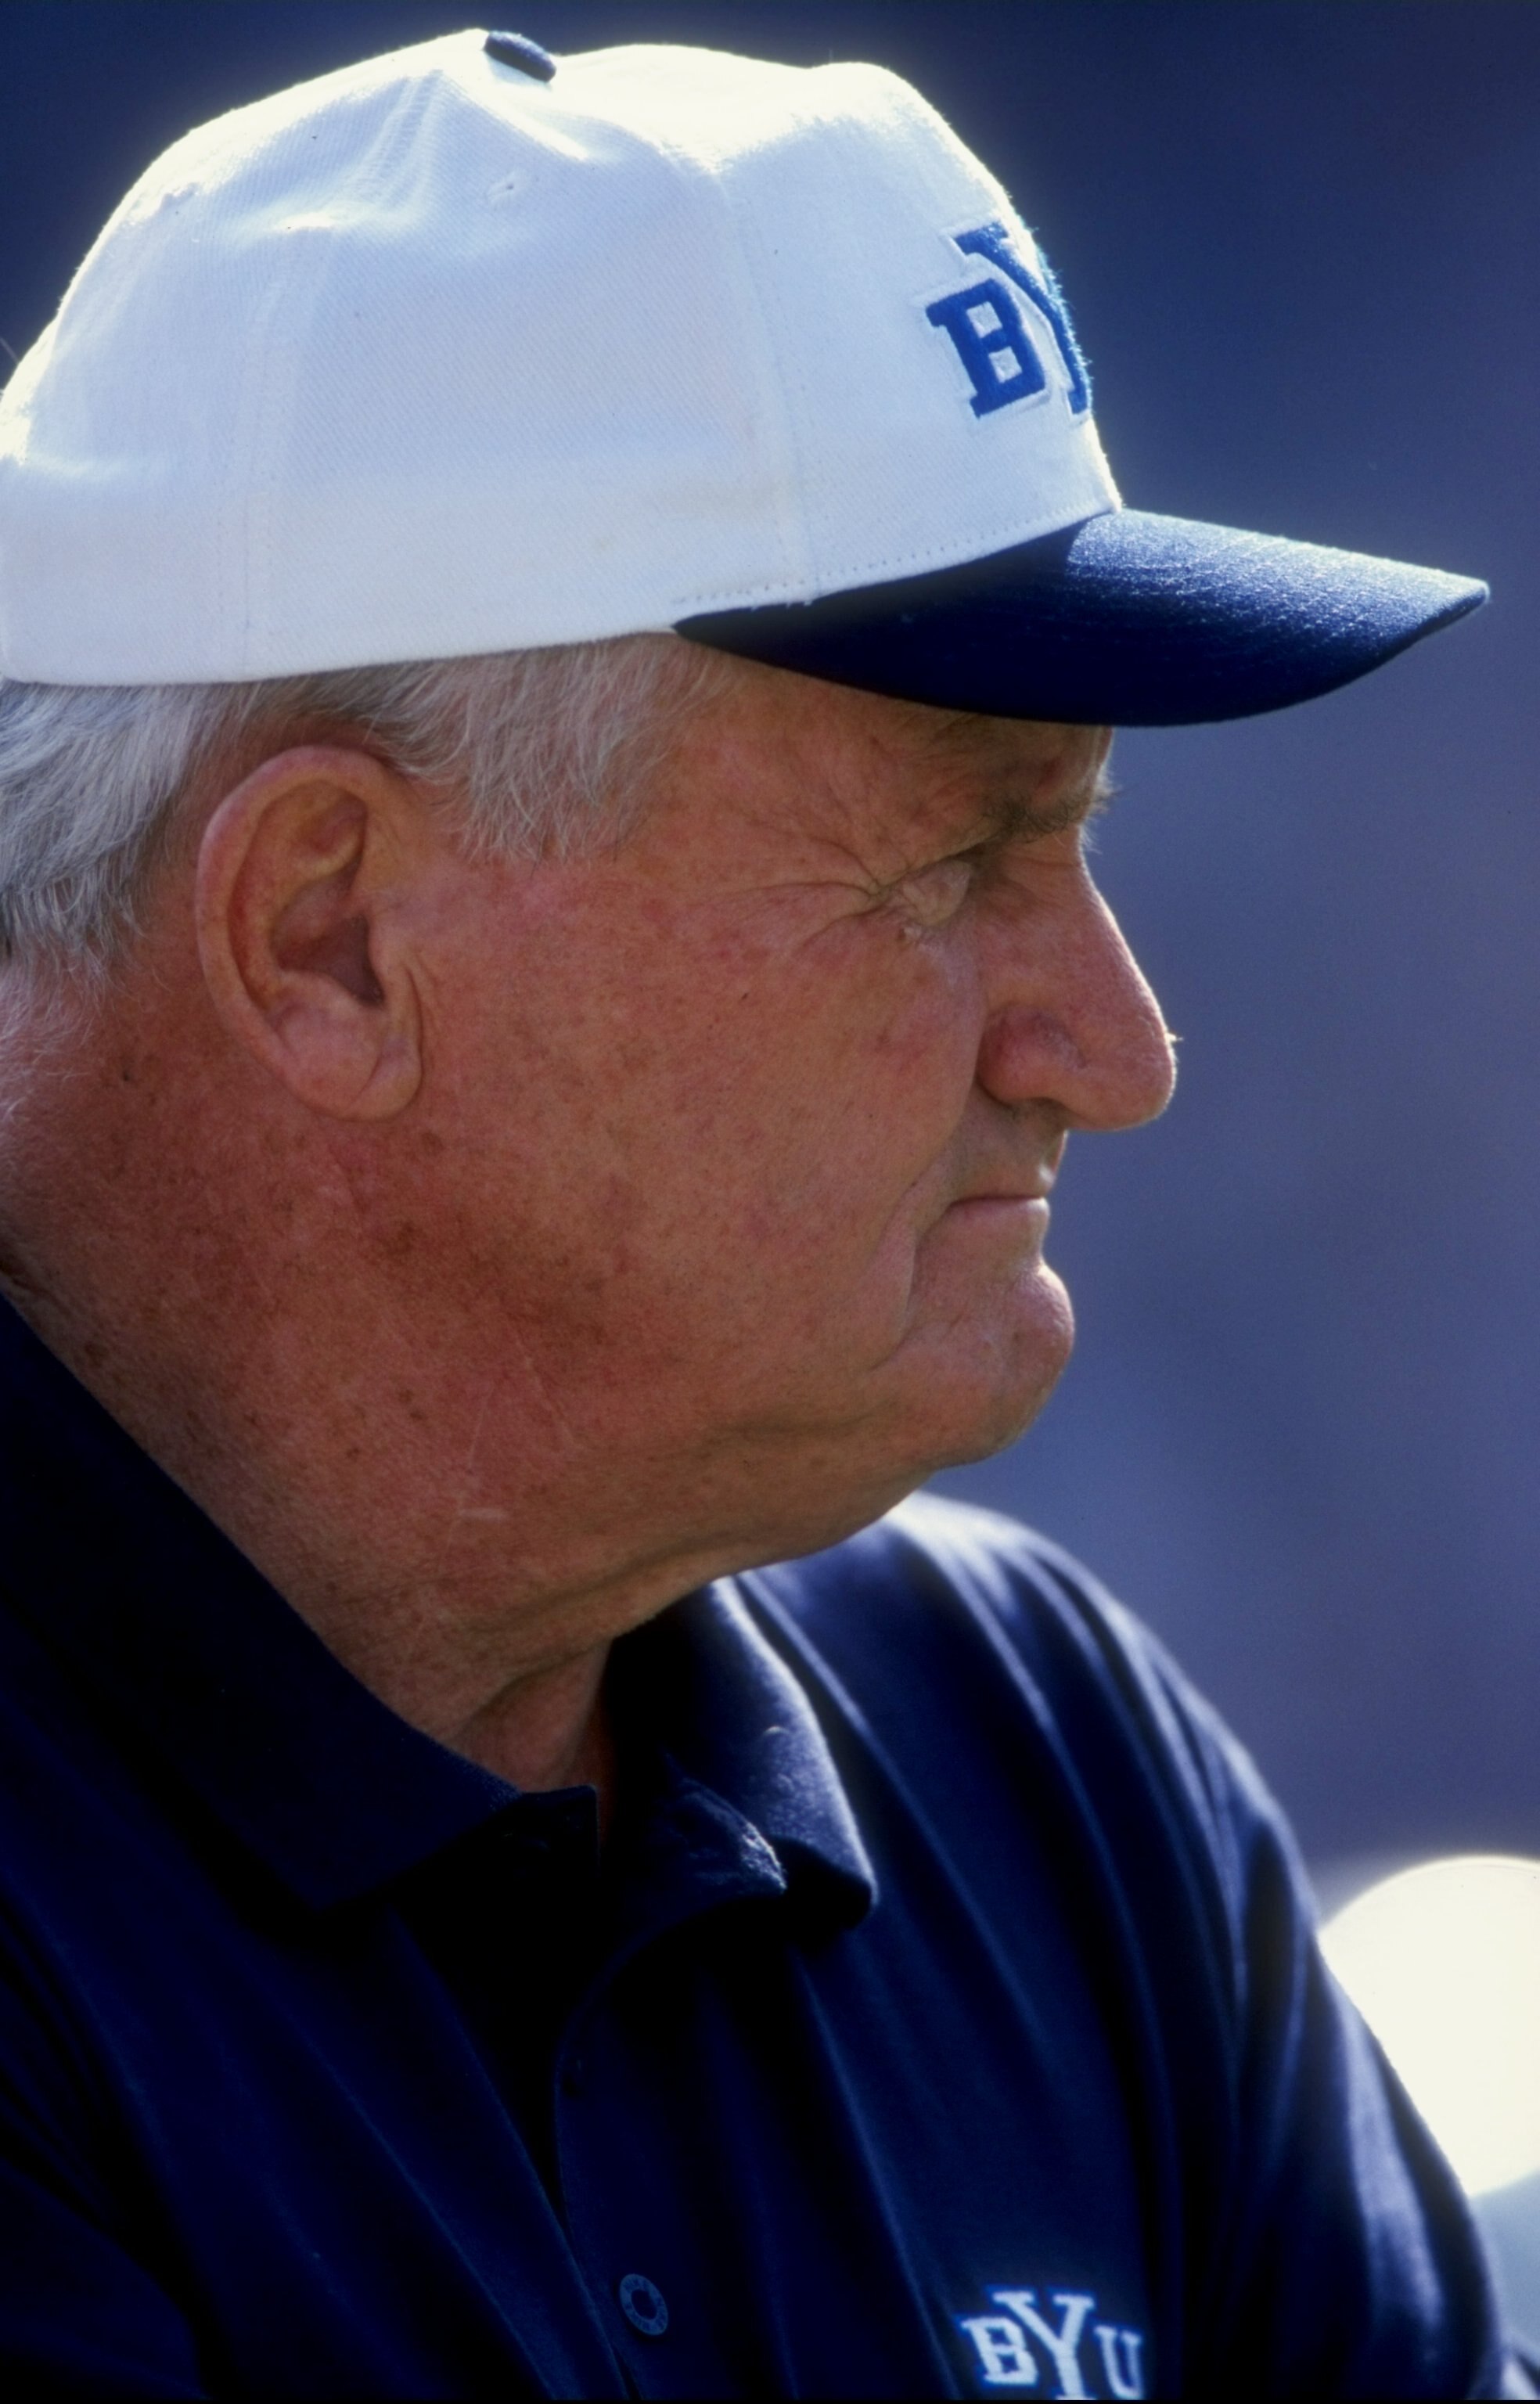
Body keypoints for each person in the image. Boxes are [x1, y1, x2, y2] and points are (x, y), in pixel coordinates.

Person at [0, 26, 1511, 2400]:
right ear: (328, 934)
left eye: (1080, 841)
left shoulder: (1041, 1767)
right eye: (953, 860)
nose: (1113, 1052)